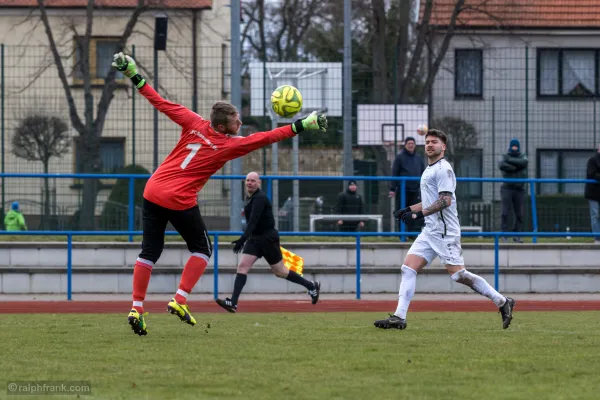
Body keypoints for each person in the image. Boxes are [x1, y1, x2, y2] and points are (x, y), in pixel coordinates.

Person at [111, 52, 327, 336]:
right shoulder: (228, 145)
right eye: (237, 121)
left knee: (149, 251)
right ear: (223, 127)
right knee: (202, 249)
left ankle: (136, 307)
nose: (240, 124)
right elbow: (265, 138)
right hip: (178, 199)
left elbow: (160, 102)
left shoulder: (193, 121)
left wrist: (132, 74)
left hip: (153, 190)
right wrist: (303, 125)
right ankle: (179, 299)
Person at [374, 129, 515, 331]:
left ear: (443, 147)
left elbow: (445, 200)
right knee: (408, 268)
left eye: (434, 142)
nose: (430, 145)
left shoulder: (444, 169)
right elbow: (431, 199)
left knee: (458, 276)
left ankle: (502, 302)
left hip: (444, 232)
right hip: (430, 231)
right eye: (428, 142)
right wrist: (409, 209)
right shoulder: (429, 169)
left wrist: (420, 214)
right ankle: (399, 317)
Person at [215, 172, 320, 313]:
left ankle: (311, 286)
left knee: (280, 271)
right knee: (242, 267)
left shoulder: (260, 198)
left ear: (259, 183)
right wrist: (246, 238)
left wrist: (242, 239)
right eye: (247, 180)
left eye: (253, 180)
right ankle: (233, 303)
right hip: (255, 238)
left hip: (267, 239)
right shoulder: (250, 197)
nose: (249, 183)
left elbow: (253, 220)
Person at [389, 137, 426, 238]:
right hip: (402, 189)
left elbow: (423, 173)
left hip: (415, 189)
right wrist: (392, 188)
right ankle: (401, 234)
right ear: (405, 145)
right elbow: (395, 173)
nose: (410, 145)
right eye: (409, 143)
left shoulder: (419, 158)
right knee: (401, 210)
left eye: (412, 143)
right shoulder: (399, 157)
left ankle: (411, 234)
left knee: (414, 212)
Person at [498, 138, 528, 243]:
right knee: (505, 212)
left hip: (519, 189)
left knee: (519, 214)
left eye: (516, 146)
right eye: (513, 146)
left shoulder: (521, 156)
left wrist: (510, 161)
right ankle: (504, 235)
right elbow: (501, 165)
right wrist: (517, 167)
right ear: (510, 147)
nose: (514, 148)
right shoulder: (504, 156)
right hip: (507, 188)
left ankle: (517, 235)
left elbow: (524, 162)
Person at [584, 143, 600, 244]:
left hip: (595, 191)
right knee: (595, 215)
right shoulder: (592, 160)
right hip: (593, 193)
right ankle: (597, 238)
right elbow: (593, 174)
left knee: (595, 215)